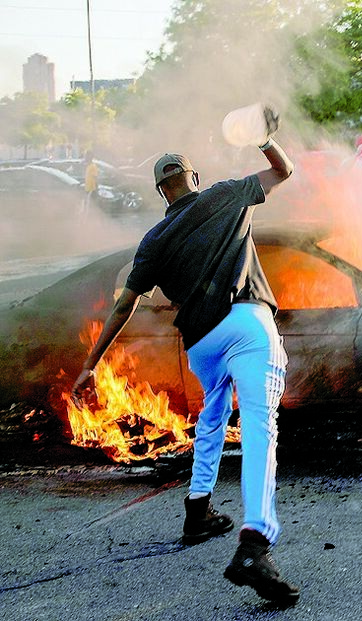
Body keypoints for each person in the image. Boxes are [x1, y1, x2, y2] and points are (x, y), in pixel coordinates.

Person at [70, 136, 299, 603]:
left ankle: (198, 511)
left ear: (161, 193)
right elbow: (283, 171)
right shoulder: (225, 194)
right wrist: (263, 138)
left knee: (213, 414)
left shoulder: (154, 239)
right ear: (192, 179)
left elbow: (123, 307)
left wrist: (89, 366)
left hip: (200, 343)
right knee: (260, 425)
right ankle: (256, 543)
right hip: (247, 323)